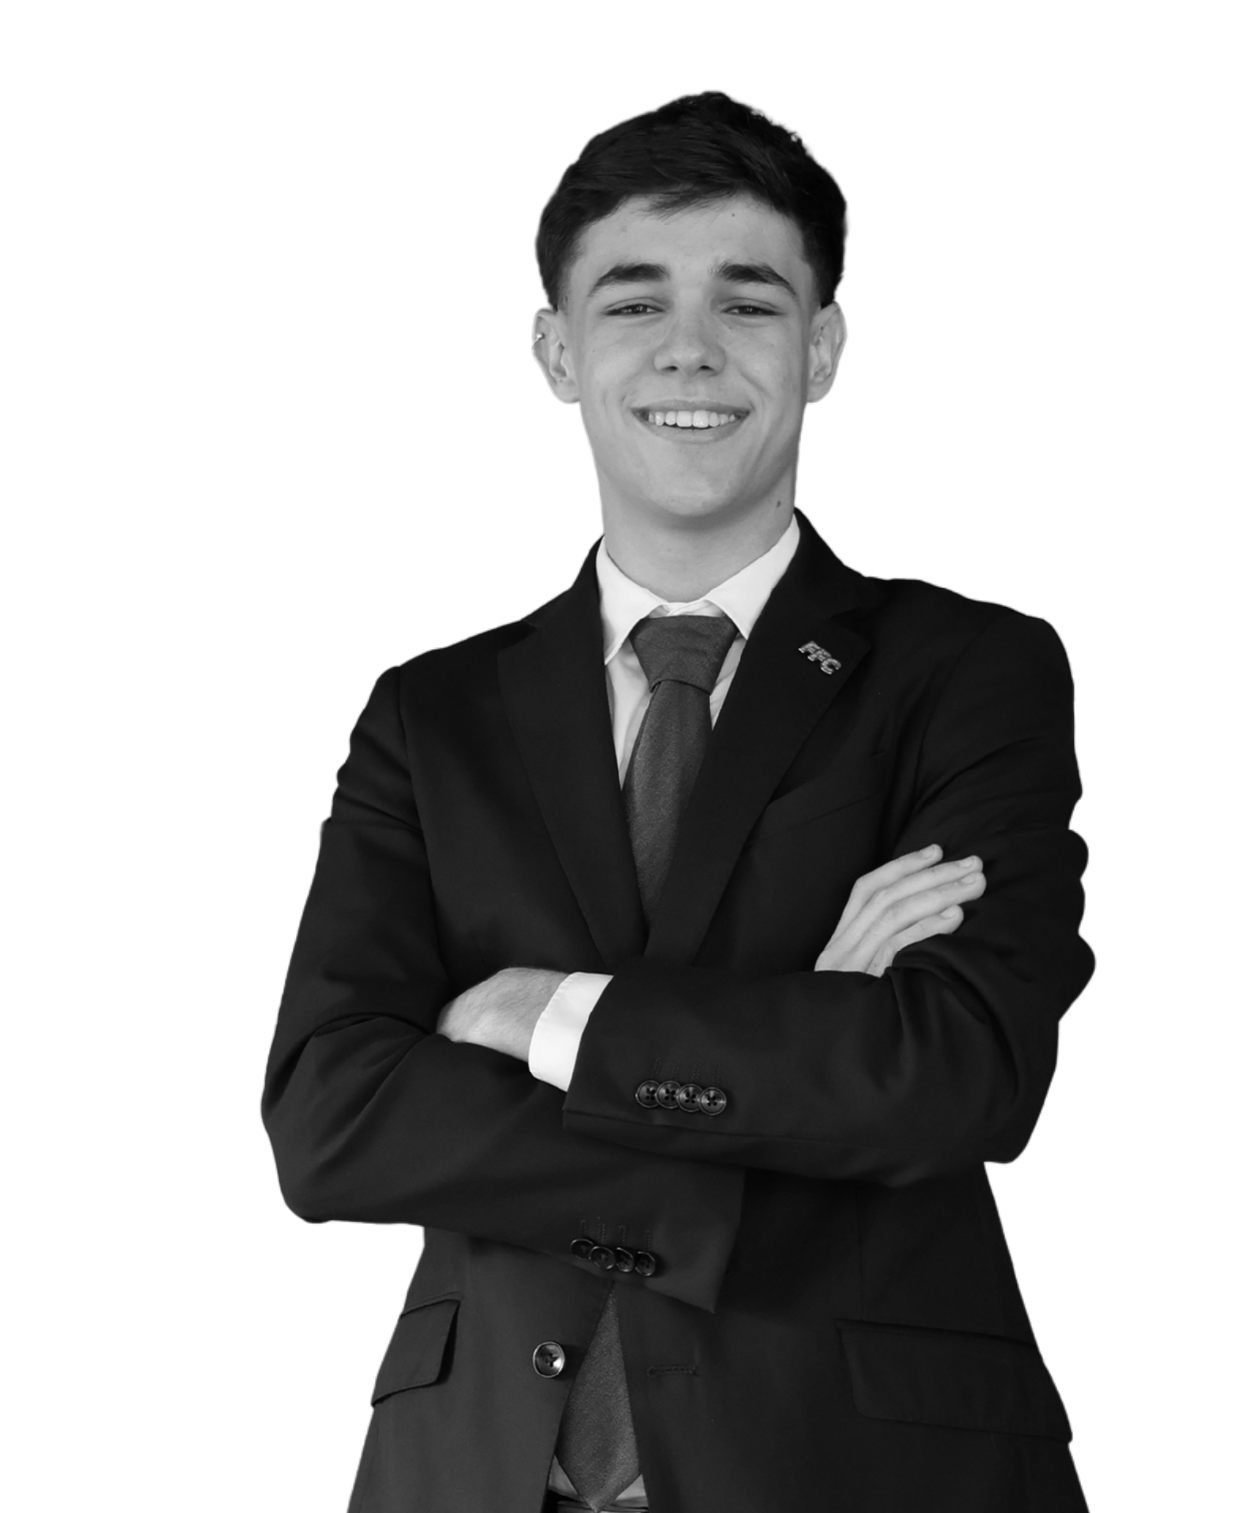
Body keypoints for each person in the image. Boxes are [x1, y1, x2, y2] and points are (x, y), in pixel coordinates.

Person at [260, 89, 1093, 1513]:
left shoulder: (972, 665)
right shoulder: (427, 709)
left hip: (859, 1464)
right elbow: (328, 1124)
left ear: (822, 351)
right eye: (634, 302)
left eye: (748, 303)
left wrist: (541, 1017)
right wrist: (805, 1034)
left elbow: (960, 1076)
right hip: (472, 1469)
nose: (690, 348)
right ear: (556, 353)